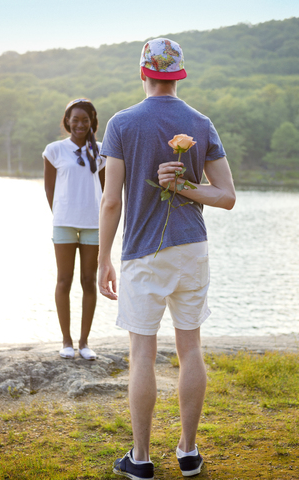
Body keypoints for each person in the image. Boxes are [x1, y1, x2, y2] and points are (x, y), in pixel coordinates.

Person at [98, 38, 236, 479]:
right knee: (190, 345)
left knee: (142, 352)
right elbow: (226, 197)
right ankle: (189, 453)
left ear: (143, 73)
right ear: (180, 75)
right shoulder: (200, 122)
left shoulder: (121, 123)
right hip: (192, 247)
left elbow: (110, 202)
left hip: (143, 251)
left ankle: (140, 460)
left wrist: (103, 259)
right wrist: (187, 189)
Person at [43, 98, 105, 361]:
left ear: (92, 122)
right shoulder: (54, 150)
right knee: (64, 281)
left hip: (93, 224)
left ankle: (84, 342)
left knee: (89, 281)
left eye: (85, 119)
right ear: (67, 121)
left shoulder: (102, 151)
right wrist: (60, 213)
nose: (80, 124)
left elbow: (106, 191)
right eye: (75, 119)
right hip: (64, 224)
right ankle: (66, 341)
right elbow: (49, 188)